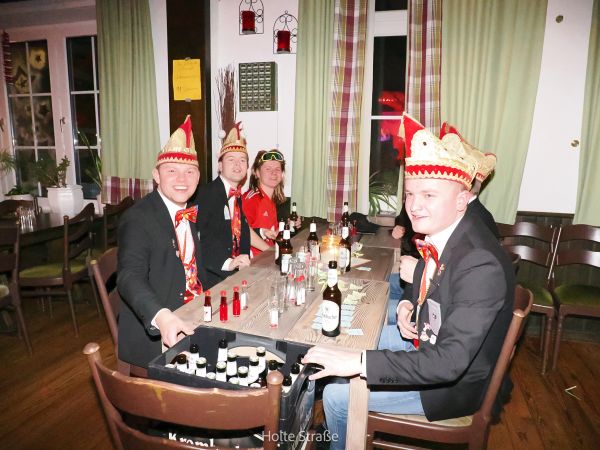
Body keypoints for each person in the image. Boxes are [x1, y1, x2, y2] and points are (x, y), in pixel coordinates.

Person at [303, 113, 515, 450]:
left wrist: (360, 363)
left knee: (336, 395)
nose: (414, 206)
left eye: (429, 195)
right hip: (424, 342)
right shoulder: (448, 234)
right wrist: (405, 303)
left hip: (448, 386)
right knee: (348, 336)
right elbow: (426, 282)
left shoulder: (479, 261)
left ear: (462, 200)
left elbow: (449, 362)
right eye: (410, 194)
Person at [117, 115, 206, 369]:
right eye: (172, 171)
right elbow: (129, 276)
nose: (182, 179)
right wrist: (162, 316)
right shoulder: (138, 218)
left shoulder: (187, 211)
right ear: (156, 175)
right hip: (157, 335)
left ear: (198, 177)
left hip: (193, 312)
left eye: (189, 172)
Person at [192, 122, 268, 288]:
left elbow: (237, 229)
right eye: (231, 159)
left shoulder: (235, 194)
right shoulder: (206, 194)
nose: (237, 165)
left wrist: (266, 241)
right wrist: (229, 263)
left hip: (237, 276)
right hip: (214, 281)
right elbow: (200, 240)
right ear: (220, 166)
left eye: (242, 160)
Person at [242, 149, 287, 256]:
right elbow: (241, 231)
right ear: (257, 173)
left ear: (282, 174)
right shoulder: (252, 199)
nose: (274, 173)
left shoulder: (270, 200)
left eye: (277, 169)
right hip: (254, 262)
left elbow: (271, 233)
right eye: (268, 169)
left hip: (268, 258)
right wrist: (271, 252)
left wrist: (288, 225)